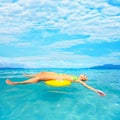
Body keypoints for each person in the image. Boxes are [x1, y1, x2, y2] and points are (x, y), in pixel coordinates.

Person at [6, 71, 106, 96]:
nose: (83, 75)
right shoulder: (76, 76)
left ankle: (16, 83)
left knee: (39, 78)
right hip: (56, 74)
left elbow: (86, 86)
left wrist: (96, 90)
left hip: (57, 77)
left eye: (85, 76)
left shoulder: (79, 80)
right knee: (42, 73)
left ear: (83, 79)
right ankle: (29, 76)